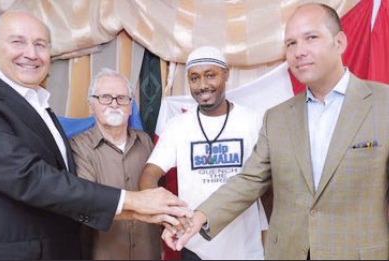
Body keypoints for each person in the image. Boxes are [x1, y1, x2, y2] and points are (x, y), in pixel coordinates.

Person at [163, 3, 389, 260]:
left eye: (311, 38)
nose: (299, 51)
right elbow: (249, 179)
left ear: (339, 42)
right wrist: (199, 217)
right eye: (290, 43)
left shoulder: (383, 105)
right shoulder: (277, 117)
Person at [0, 10, 192, 260]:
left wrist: (137, 211)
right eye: (18, 42)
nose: (31, 53)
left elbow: (62, 194)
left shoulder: (42, 109)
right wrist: (133, 203)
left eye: (40, 44)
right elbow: (29, 177)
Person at [140, 46, 269, 260]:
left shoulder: (253, 120)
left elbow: (266, 180)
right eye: (194, 78)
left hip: (244, 247)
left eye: (210, 75)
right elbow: (148, 176)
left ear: (225, 74)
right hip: (195, 245)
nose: (203, 86)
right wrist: (166, 215)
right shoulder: (177, 125)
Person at [70, 68, 161, 260]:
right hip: (102, 253)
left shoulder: (146, 142)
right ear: (91, 104)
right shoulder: (77, 146)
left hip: (148, 252)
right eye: (105, 97)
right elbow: (87, 203)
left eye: (121, 98)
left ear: (130, 106)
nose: (114, 104)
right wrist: (139, 209)